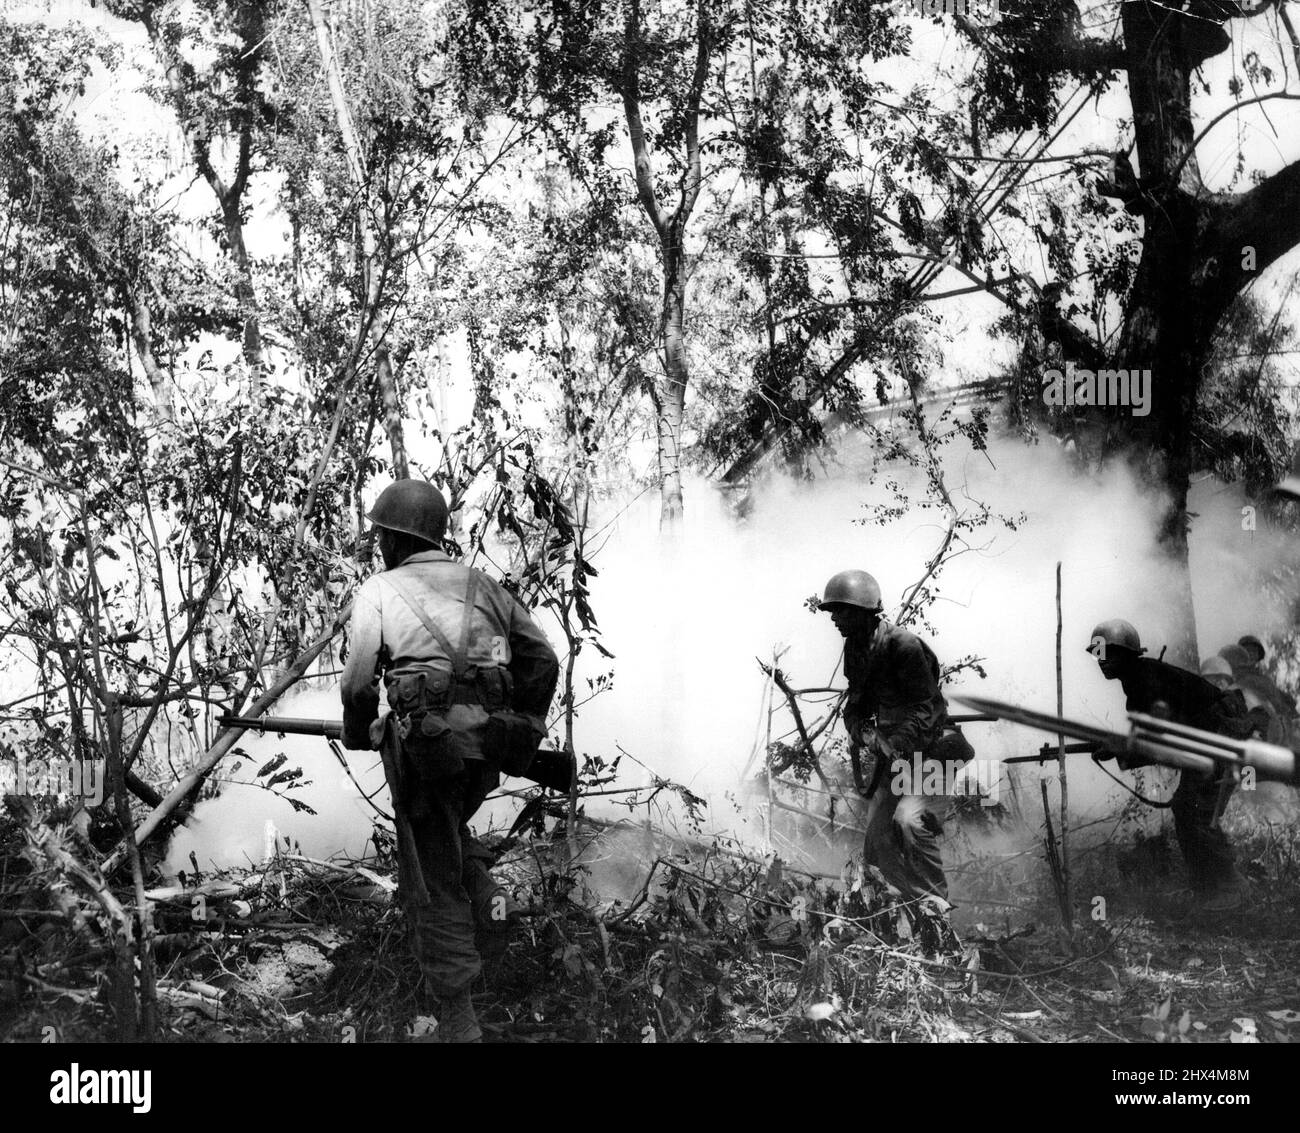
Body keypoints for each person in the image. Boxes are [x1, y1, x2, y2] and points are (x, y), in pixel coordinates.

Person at [341, 479, 559, 1042]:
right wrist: (521, 732)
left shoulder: (379, 592)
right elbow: (541, 660)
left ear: (394, 537)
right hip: (483, 755)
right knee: (449, 830)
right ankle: (489, 897)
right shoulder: (486, 586)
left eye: (381, 535)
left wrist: (360, 735)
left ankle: (459, 1017)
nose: (379, 545)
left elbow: (357, 685)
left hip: (427, 757)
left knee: (430, 880)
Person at [819, 569, 972, 912]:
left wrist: (898, 741)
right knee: (877, 840)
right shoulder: (856, 650)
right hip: (898, 759)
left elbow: (929, 709)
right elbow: (855, 707)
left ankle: (935, 910)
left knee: (910, 821)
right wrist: (864, 733)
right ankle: (904, 910)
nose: (834, 620)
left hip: (935, 751)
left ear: (863, 611)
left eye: (841, 611)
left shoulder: (904, 646)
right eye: (832, 612)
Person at [1089, 619, 1248, 914]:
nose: (1100, 661)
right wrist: (1121, 750)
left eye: (1107, 653)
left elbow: (1161, 742)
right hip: (1208, 742)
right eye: (1097, 653)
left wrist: (1122, 751)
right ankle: (1208, 891)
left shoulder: (1145, 680)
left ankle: (1229, 887)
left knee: (1195, 810)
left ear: (1126, 653)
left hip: (1219, 739)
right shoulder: (1139, 678)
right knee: (1188, 809)